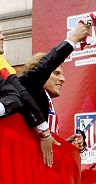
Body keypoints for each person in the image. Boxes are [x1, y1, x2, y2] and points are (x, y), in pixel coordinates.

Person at [18, 22, 91, 167]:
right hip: (27, 167)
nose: (63, 79)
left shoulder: (46, 99)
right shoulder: (28, 87)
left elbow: (41, 142)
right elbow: (44, 67)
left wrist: (64, 144)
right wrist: (73, 38)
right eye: (56, 73)